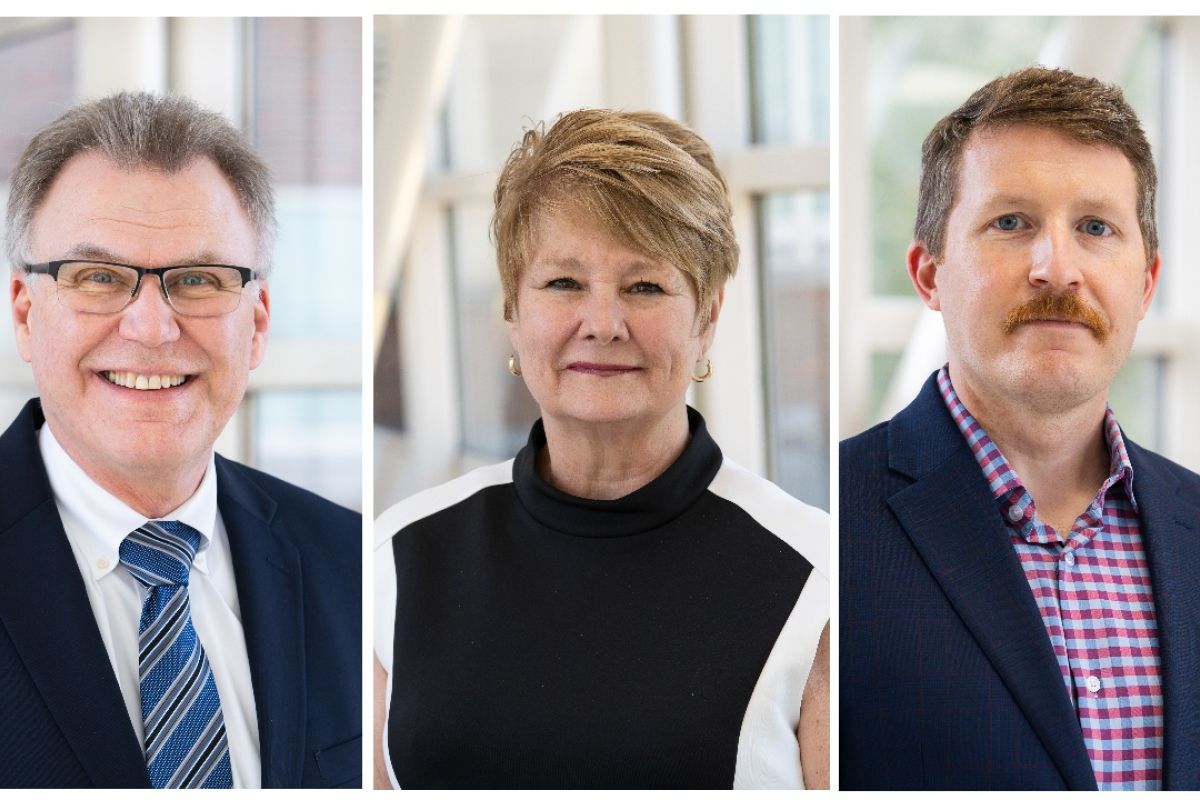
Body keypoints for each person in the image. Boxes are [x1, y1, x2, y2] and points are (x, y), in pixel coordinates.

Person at [373, 109, 829, 789]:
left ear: (707, 318)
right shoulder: (402, 554)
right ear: (513, 310)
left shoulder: (817, 573)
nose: (604, 324)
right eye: (564, 284)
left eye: (645, 286)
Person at [840, 66, 1200, 790]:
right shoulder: (834, 524)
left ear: (1147, 282)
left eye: (1096, 227)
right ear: (929, 276)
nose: (1057, 269)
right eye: (1012, 223)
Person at [1, 92, 360, 789]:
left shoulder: (351, 561)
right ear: (24, 313)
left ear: (256, 323)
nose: (153, 328)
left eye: (197, 280)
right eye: (99, 278)